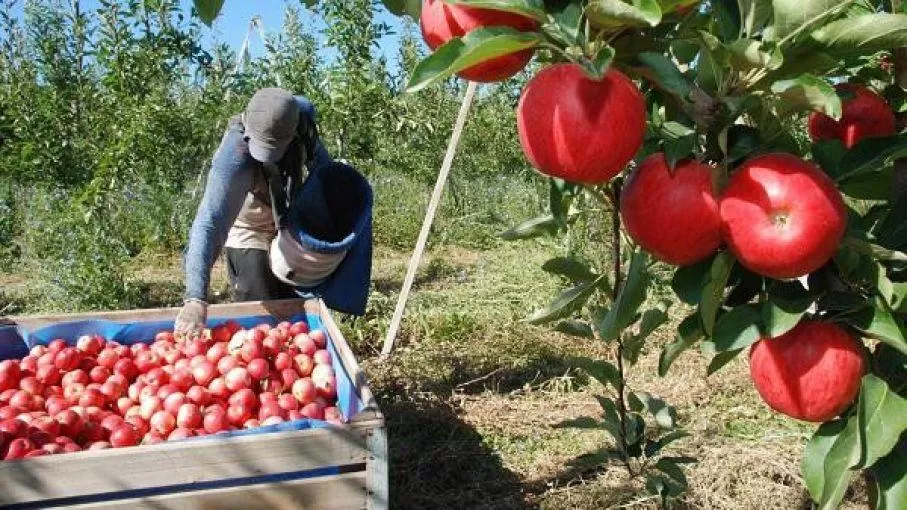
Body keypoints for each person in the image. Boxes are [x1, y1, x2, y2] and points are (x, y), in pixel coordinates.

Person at [174, 88, 373, 339]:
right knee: (261, 322)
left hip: (287, 225)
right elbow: (210, 221)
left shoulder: (303, 125)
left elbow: (325, 172)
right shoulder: (234, 155)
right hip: (249, 228)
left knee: (294, 315)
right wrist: (195, 299)